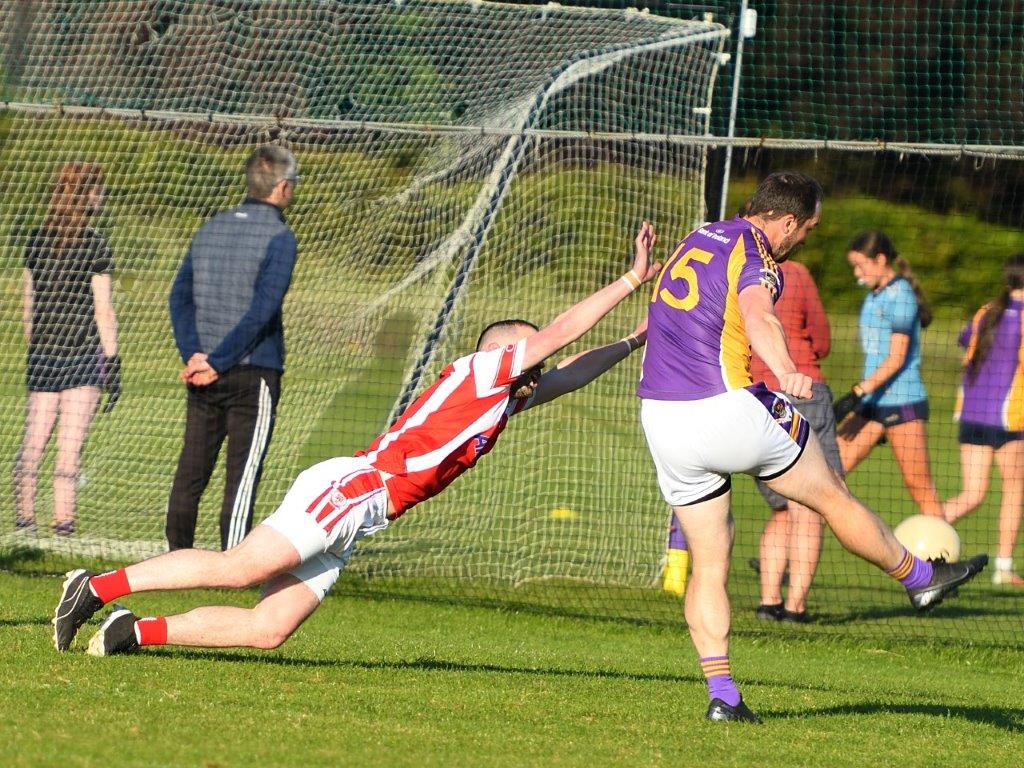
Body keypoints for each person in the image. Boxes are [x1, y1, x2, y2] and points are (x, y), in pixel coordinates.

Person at [52, 223, 661, 658]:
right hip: (355, 488)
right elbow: (559, 333)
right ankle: (94, 587)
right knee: (238, 569)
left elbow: (570, 371)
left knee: (269, 628)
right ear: (504, 351)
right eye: (528, 354)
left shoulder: (503, 398)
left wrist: (634, 342)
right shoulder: (482, 372)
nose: (538, 367)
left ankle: (133, 632)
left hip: (365, 513)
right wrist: (633, 278)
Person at [637, 171, 986, 724]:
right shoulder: (758, 255)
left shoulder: (700, 235)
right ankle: (920, 579)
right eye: (808, 229)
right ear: (788, 221)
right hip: (725, 406)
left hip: (661, 419)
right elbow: (758, 313)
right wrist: (786, 371)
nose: (805, 240)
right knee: (831, 495)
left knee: (710, 562)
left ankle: (723, 697)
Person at [166, 145, 299, 552]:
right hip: (251, 371)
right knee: (241, 477)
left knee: (191, 473)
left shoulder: (210, 227)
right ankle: (234, 565)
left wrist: (195, 355)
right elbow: (263, 309)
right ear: (281, 188)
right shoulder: (280, 237)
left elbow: (179, 297)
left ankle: (176, 558)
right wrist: (219, 361)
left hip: (202, 371)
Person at [13, 161, 120, 537]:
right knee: (69, 449)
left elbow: (28, 306)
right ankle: (63, 526)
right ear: (87, 194)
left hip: (42, 355)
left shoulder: (35, 240)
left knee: (33, 442)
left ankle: (24, 521)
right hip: (81, 357)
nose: (102, 197)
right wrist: (113, 361)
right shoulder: (95, 243)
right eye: (98, 190)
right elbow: (103, 310)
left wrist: (36, 349)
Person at [749, 257, 840, 623]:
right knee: (813, 507)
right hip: (803, 389)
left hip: (755, 396)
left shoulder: (735, 269)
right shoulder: (798, 273)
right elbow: (822, 339)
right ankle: (795, 608)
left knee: (783, 509)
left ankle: (768, 603)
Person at [833, 231, 942, 517]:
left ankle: (946, 558)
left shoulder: (901, 295)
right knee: (831, 475)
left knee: (919, 487)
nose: (857, 273)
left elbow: (896, 359)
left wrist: (856, 393)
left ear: (880, 260)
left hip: (901, 401)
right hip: (872, 402)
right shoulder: (874, 295)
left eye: (861, 265)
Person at [943, 254, 1024, 586]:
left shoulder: (985, 312)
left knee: (973, 493)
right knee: (1014, 488)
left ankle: (908, 545)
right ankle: (1003, 569)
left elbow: (965, 340)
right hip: (1010, 418)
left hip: (972, 414)